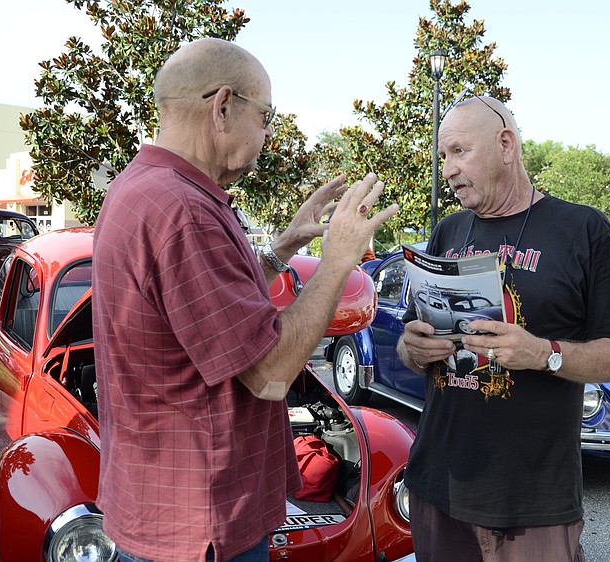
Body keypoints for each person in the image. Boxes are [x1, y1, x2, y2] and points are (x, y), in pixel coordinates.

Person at [91, 38, 397, 562]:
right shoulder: (184, 209)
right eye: (266, 116)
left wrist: (281, 250)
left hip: (164, 513)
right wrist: (339, 259)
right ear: (223, 106)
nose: (269, 132)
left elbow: (202, 313)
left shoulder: (145, 189)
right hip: (203, 525)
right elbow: (271, 373)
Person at [396, 94, 610, 562]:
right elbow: (413, 350)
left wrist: (543, 354)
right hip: (439, 484)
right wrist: (414, 348)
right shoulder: (449, 230)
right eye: (442, 156)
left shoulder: (583, 229)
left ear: (506, 144)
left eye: (459, 151)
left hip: (534, 501)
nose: (447, 169)